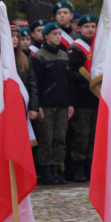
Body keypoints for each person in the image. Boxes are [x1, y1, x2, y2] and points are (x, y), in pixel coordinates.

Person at [28, 22, 75, 185]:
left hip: (62, 103)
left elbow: (70, 83)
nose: (58, 37)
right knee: (46, 138)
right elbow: (36, 83)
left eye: (59, 34)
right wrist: (37, 105)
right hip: (46, 104)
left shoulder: (64, 55)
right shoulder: (39, 56)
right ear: (46, 36)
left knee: (60, 137)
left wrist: (70, 103)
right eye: (54, 34)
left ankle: (57, 168)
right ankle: (46, 170)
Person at [67, 14, 98, 182]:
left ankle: (90, 166)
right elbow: (74, 73)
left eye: (93, 26)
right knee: (81, 135)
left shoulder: (100, 46)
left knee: (94, 135)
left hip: (96, 98)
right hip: (81, 99)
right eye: (87, 27)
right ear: (79, 28)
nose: (90, 30)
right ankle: (77, 167)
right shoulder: (76, 48)